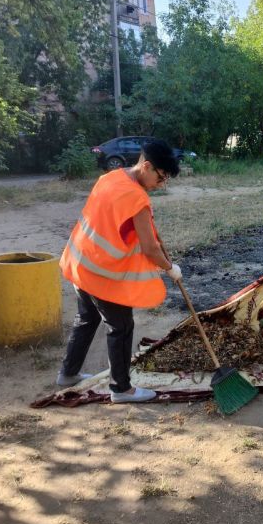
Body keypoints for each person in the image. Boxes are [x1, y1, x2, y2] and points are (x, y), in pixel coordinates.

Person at [56, 139, 181, 403]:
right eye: (161, 178)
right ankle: (122, 389)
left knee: (87, 319)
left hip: (80, 263)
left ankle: (68, 374)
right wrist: (170, 268)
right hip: (102, 274)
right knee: (121, 326)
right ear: (146, 166)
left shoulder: (110, 178)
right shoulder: (137, 199)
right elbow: (150, 248)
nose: (162, 185)